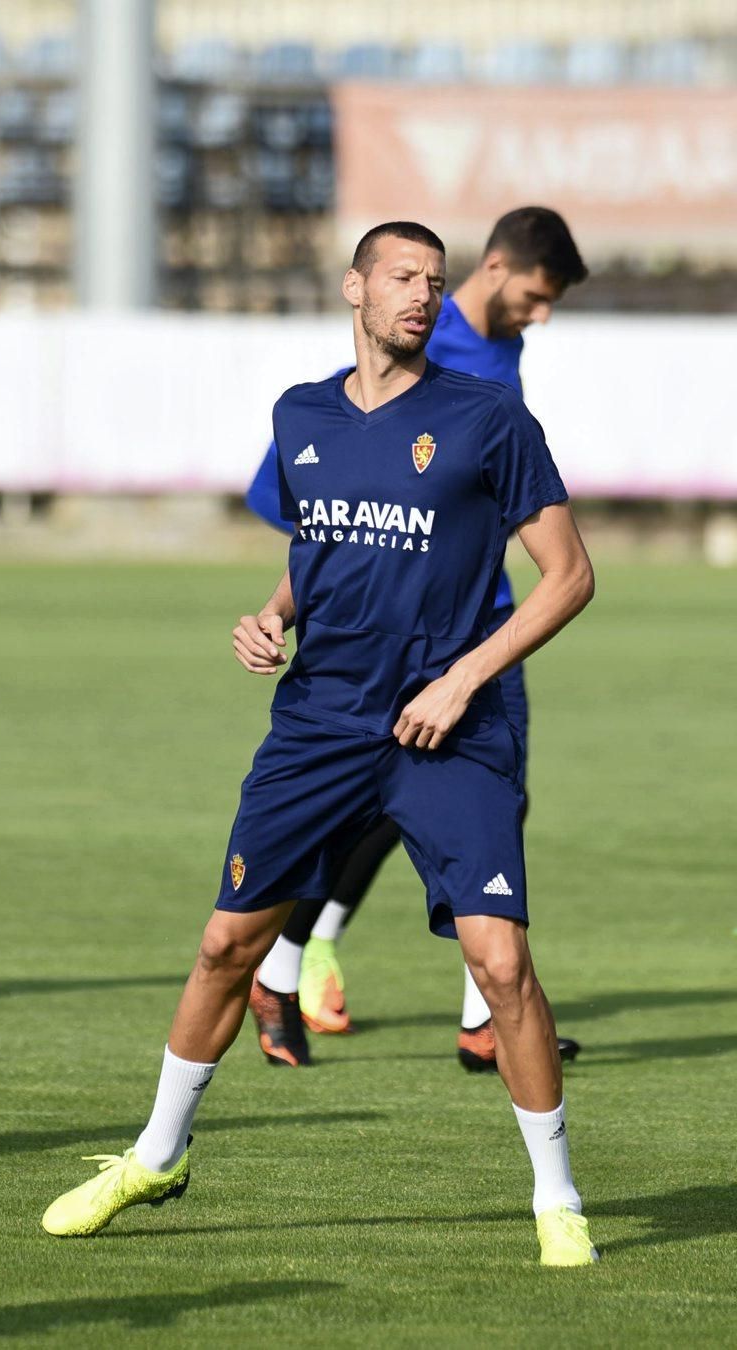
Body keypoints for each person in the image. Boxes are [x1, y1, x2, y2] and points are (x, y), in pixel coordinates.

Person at [42, 221, 598, 1266]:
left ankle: (555, 1200)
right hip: (320, 721)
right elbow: (323, 546)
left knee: (502, 963)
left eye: (433, 282)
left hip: (448, 725)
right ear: (353, 288)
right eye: (400, 278)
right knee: (224, 945)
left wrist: (465, 676)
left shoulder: (488, 417)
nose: (420, 297)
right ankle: (156, 1156)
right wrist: (272, 615)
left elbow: (568, 576)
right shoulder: (299, 415)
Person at [247, 206, 587, 1073]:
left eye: (430, 284)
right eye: (537, 297)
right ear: (501, 268)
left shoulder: (487, 353)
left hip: (476, 629)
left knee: (465, 806)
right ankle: (290, 965)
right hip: (421, 647)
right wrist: (281, 610)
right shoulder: (419, 363)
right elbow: (322, 516)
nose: (541, 316)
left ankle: (468, 1009)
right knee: (403, 805)